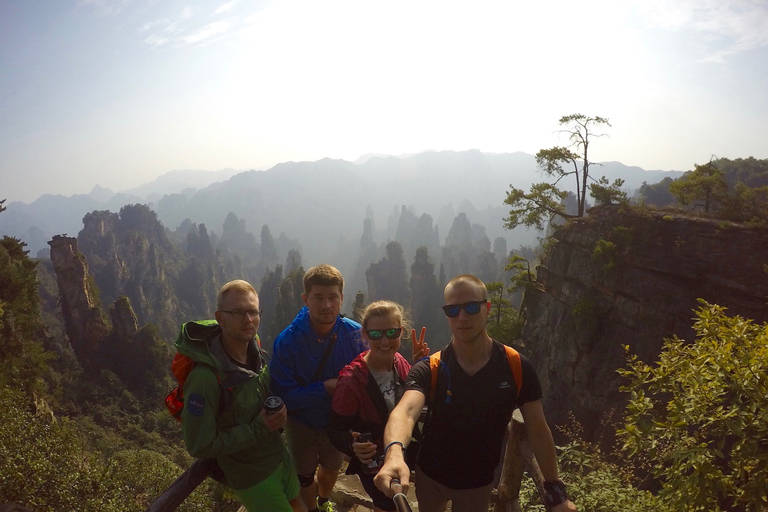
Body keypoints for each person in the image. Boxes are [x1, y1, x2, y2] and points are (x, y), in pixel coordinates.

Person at [374, 275, 578, 512]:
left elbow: (537, 428)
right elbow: (406, 412)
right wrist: (395, 452)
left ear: (487, 308)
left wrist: (556, 492)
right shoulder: (431, 367)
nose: (462, 317)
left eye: (471, 307)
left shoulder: (516, 367)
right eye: (453, 310)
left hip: (478, 484)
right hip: (431, 476)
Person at [178, 279, 306, 512]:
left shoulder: (254, 347)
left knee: (300, 505)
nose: (248, 319)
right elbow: (199, 445)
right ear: (220, 317)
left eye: (253, 312)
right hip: (253, 477)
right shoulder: (205, 379)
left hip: (279, 458)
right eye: (238, 312)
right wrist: (260, 426)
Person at [270, 264, 367, 512]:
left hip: (337, 424)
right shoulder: (288, 340)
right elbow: (283, 397)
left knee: (332, 468)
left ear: (341, 298)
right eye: (318, 298)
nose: (326, 305)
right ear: (306, 299)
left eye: (333, 297)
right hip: (301, 424)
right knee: (303, 476)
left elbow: (375, 373)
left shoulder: (356, 336)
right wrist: (325, 388)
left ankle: (324, 500)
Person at [327, 301, 429, 512]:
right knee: (387, 504)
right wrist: (352, 447)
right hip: (374, 461)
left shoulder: (400, 362)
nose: (385, 340)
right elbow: (335, 429)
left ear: (402, 332)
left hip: (401, 450)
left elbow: (410, 400)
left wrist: (419, 368)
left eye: (392, 332)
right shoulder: (352, 380)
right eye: (376, 334)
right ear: (364, 334)